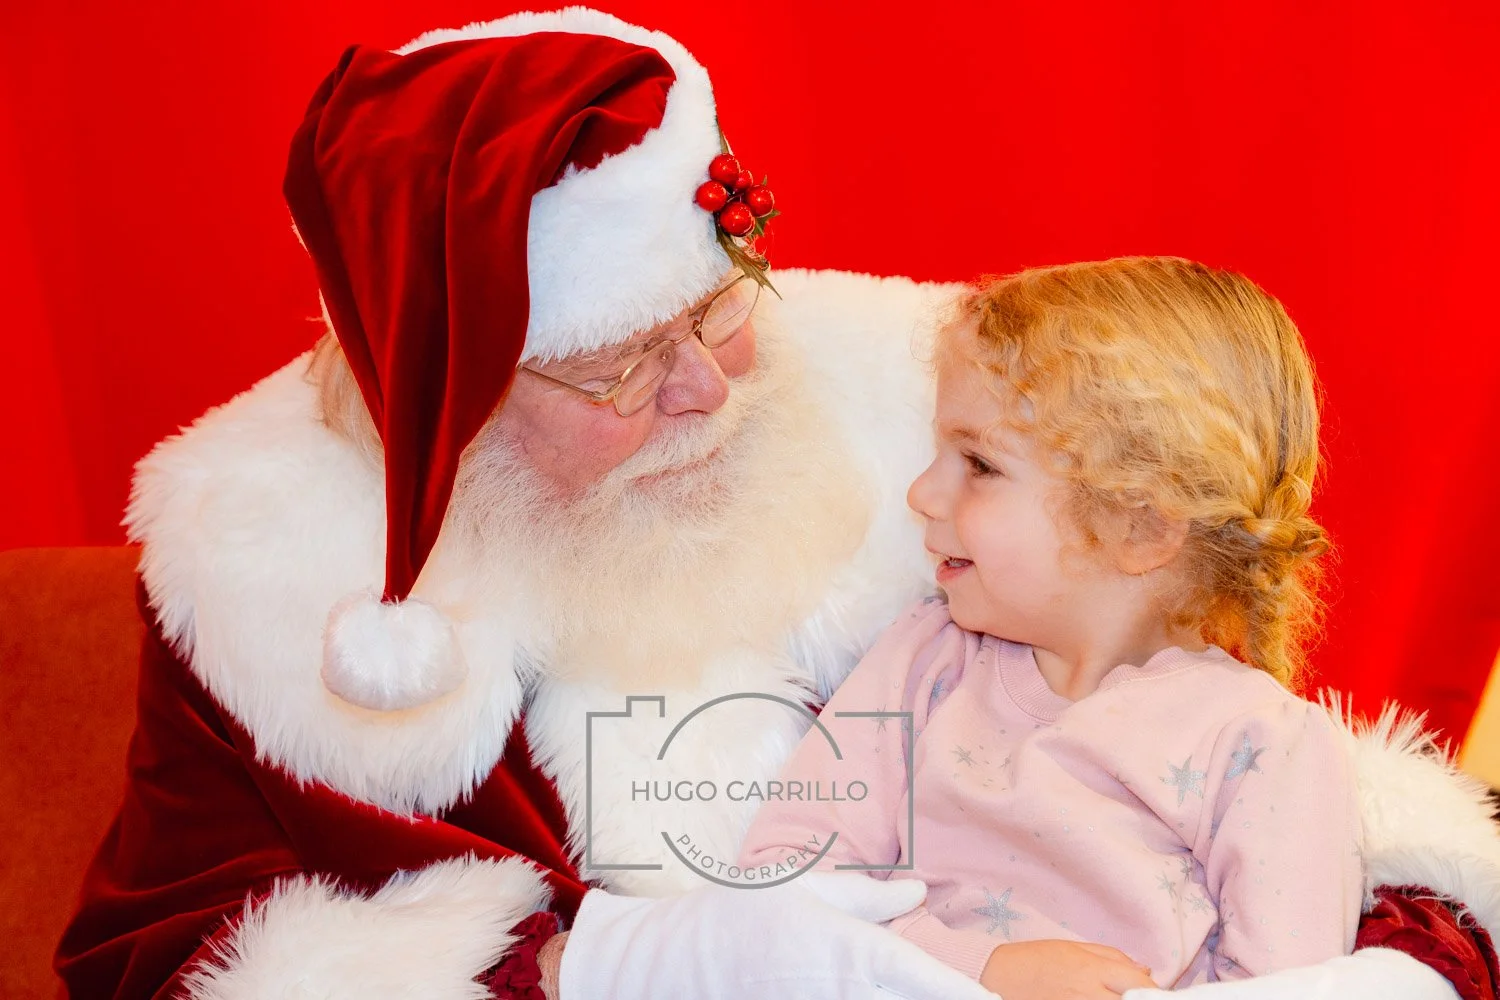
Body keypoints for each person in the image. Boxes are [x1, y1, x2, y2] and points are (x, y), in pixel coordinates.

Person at [52, 9, 1500, 1000]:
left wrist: (1382, 968)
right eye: (619, 366)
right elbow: (163, 954)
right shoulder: (263, 572)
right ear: (451, 405)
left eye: (717, 314)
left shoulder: (917, 404)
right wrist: (618, 967)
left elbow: (1247, 778)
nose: (704, 392)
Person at [738, 258, 1362, 997]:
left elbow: (1288, 990)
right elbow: (783, 882)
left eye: (979, 464)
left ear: (1138, 525)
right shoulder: (924, 659)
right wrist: (980, 970)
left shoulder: (1259, 746)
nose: (922, 492)